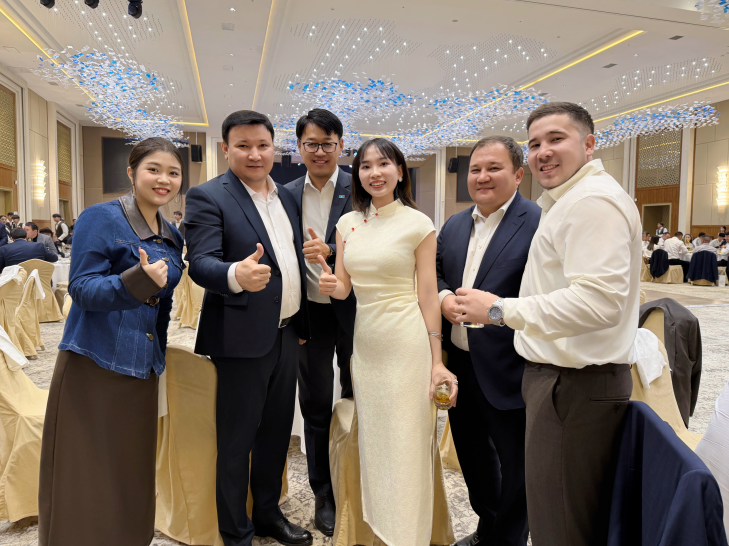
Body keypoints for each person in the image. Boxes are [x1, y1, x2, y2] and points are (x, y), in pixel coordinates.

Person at [453, 103, 640, 546]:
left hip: (574, 383)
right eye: (535, 143)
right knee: (556, 511)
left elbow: (599, 302)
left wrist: (499, 310)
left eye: (557, 139)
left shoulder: (591, 202)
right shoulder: (564, 202)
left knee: (561, 519)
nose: (544, 151)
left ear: (588, 144)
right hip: (555, 379)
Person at [38, 137, 185, 546]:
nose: (164, 179)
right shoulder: (101, 218)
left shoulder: (172, 235)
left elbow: (162, 306)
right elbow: (82, 288)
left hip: (142, 367)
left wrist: (158, 354)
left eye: (173, 173)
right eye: (153, 169)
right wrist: (136, 280)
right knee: (84, 472)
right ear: (132, 172)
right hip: (95, 362)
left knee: (130, 470)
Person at [319, 137, 456, 546]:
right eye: (365, 165)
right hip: (367, 346)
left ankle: (409, 535)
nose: (374, 173)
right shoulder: (347, 224)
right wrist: (328, 282)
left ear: (399, 171)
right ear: (357, 174)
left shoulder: (418, 224)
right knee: (377, 444)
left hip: (406, 343)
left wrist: (436, 360)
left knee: (408, 444)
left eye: (383, 164)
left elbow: (427, 295)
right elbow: (344, 288)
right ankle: (380, 530)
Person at [184, 110, 311, 546]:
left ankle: (268, 515)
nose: (254, 154)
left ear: (275, 148)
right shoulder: (208, 196)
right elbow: (200, 262)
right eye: (243, 146)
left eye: (262, 145)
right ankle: (235, 531)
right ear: (226, 149)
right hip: (239, 338)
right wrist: (235, 273)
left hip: (287, 333)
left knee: (276, 433)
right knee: (237, 441)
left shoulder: (287, 196)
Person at [437, 136, 539, 546]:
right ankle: (487, 527)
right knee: (473, 457)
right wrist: (444, 297)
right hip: (462, 365)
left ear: (518, 174)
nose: (482, 177)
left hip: (511, 368)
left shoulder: (538, 222)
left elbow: (545, 296)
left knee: (517, 468)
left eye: (494, 168)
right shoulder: (455, 224)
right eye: (475, 169)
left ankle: (508, 540)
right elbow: (436, 273)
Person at [286, 108, 356, 535]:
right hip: (307, 313)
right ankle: (323, 492)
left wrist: (332, 251)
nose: (320, 151)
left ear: (340, 146)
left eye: (328, 144)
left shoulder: (360, 187)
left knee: (356, 397)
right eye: (311, 144)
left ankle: (354, 479)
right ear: (299, 147)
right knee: (314, 404)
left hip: (354, 310)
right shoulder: (285, 194)